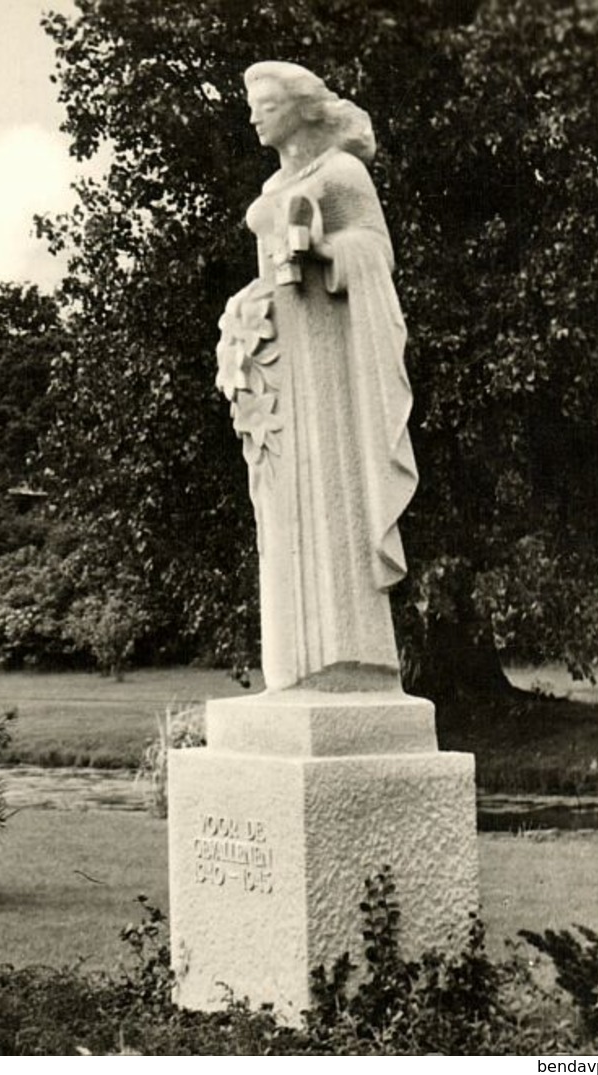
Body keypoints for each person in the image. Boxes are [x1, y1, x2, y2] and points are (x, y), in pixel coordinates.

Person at [214, 61, 418, 692]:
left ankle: (346, 660)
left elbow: (374, 250)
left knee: (329, 492)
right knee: (281, 511)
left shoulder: (342, 171)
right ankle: (293, 672)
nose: (252, 115)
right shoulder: (279, 180)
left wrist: (323, 250)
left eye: (265, 103)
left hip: (326, 364)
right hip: (278, 371)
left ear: (300, 108)